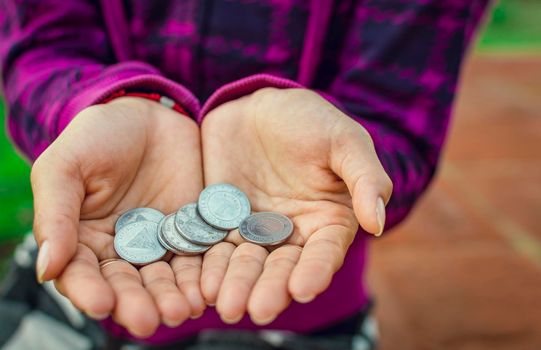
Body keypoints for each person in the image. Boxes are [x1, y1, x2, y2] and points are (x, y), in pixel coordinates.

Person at [0, 0, 488, 348]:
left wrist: (351, 153)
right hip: (87, 258)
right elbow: (40, 47)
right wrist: (92, 105)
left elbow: (399, 117)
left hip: (307, 301)